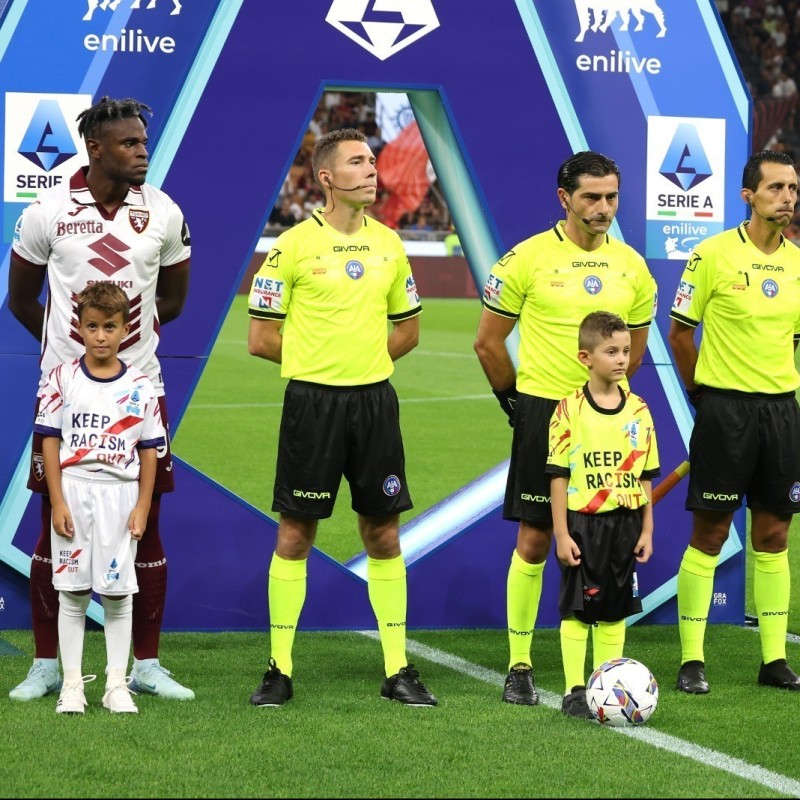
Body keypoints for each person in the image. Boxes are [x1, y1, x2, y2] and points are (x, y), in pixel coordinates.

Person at [8, 96, 194, 701]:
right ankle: (46, 664)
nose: (143, 151)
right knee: (53, 526)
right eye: (130, 143)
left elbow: (174, 300)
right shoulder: (48, 212)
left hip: (142, 394)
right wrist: (76, 364)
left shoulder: (164, 212)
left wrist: (119, 358)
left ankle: (145, 663)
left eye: (144, 141)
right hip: (63, 399)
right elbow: (21, 300)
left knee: (146, 525)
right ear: (95, 149)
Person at [246, 127, 437, 707]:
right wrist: (320, 364)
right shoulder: (291, 248)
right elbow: (259, 338)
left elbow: (407, 328)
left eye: (373, 160)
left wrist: (365, 362)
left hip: (375, 402)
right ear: (327, 178)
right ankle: (279, 669)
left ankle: (398, 669)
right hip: (313, 403)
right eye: (358, 162)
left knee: (383, 532)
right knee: (296, 532)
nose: (373, 169)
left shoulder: (389, 244)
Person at [473, 151, 657, 705]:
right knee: (534, 540)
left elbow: (635, 353)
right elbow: (487, 342)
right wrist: (519, 406)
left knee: (608, 547)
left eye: (612, 198)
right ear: (564, 199)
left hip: (609, 425)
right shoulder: (525, 259)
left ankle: (601, 668)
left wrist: (607, 405)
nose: (603, 209)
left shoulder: (633, 267)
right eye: (591, 198)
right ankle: (521, 664)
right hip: (542, 414)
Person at [668, 149, 800, 694]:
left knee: (774, 533)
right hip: (726, 411)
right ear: (748, 196)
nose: (788, 198)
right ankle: (692, 660)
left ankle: (773, 661)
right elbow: (680, 334)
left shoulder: (798, 262)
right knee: (712, 532)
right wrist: (703, 393)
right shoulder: (712, 255)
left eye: (793, 188)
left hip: (781, 413)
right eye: (776, 188)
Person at [36, 282, 166, 714]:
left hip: (119, 495)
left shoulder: (141, 386)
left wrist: (143, 505)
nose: (100, 336)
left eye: (109, 326)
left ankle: (115, 685)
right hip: (74, 490)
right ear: (79, 328)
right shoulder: (61, 378)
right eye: (92, 326)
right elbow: (50, 444)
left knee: (116, 593)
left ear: (125, 328)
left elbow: (149, 449)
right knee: (72, 593)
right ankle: (71, 686)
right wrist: (57, 501)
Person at [546, 311, 659, 718]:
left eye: (626, 350)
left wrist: (647, 527)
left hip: (625, 523)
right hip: (582, 524)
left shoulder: (639, 411)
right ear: (585, 357)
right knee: (578, 608)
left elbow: (646, 475)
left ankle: (606, 684)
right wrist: (561, 534)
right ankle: (574, 689)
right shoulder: (568, 411)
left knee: (615, 608)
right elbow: (557, 477)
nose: (621, 359)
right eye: (610, 351)